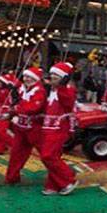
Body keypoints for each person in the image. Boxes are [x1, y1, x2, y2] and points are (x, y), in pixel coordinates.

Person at [38, 62, 78, 195]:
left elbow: (68, 103)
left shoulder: (67, 90)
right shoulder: (51, 90)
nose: (52, 78)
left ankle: (68, 178)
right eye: (52, 75)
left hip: (59, 127)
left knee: (47, 156)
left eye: (56, 76)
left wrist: (61, 87)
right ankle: (54, 185)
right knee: (52, 156)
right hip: (47, 127)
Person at [4, 67, 46, 186]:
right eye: (25, 76)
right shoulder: (22, 89)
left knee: (46, 154)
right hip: (21, 127)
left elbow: (33, 108)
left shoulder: (39, 91)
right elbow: (17, 105)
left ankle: (60, 176)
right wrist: (11, 111)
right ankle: (12, 178)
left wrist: (17, 106)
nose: (26, 79)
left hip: (34, 127)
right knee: (16, 153)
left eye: (29, 77)